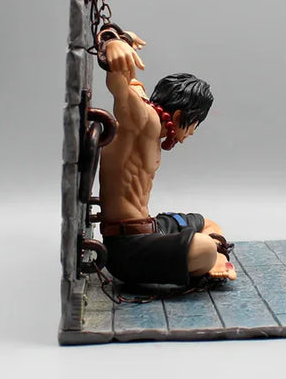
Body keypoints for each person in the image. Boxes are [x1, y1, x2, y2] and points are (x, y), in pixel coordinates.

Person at [96, 26, 237, 286]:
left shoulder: (150, 117)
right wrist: (112, 43)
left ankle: (209, 256)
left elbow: (131, 80)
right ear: (180, 116)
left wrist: (123, 39)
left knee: (208, 224)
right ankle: (209, 258)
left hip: (150, 227)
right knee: (205, 248)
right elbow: (120, 86)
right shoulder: (144, 120)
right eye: (194, 124)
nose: (192, 133)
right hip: (128, 248)